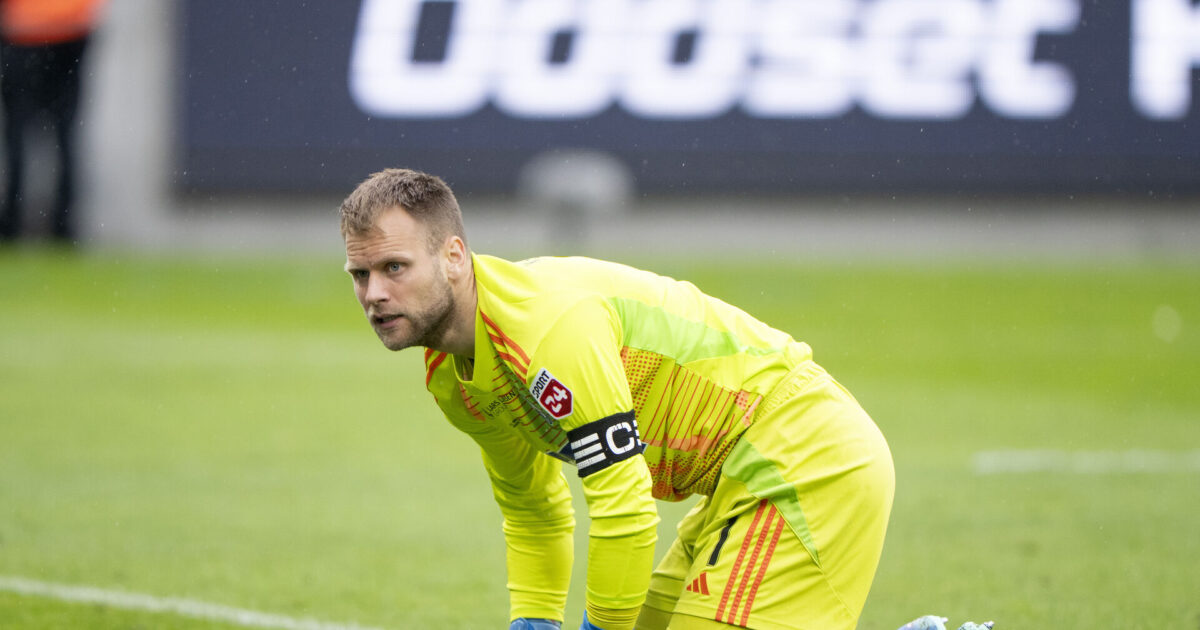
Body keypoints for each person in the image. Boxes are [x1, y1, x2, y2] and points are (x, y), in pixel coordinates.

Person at [340, 168, 895, 630]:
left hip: (804, 455)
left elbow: (625, 508)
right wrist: (534, 622)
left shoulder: (547, 328)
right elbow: (533, 508)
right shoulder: (450, 376)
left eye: (395, 267)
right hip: (737, 480)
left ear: (455, 256)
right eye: (360, 274)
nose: (375, 294)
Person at [0, 0, 106, 243]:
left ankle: (12, 224)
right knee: (65, 132)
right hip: (72, 27)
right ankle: (63, 225)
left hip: (23, 30)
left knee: (18, 131)